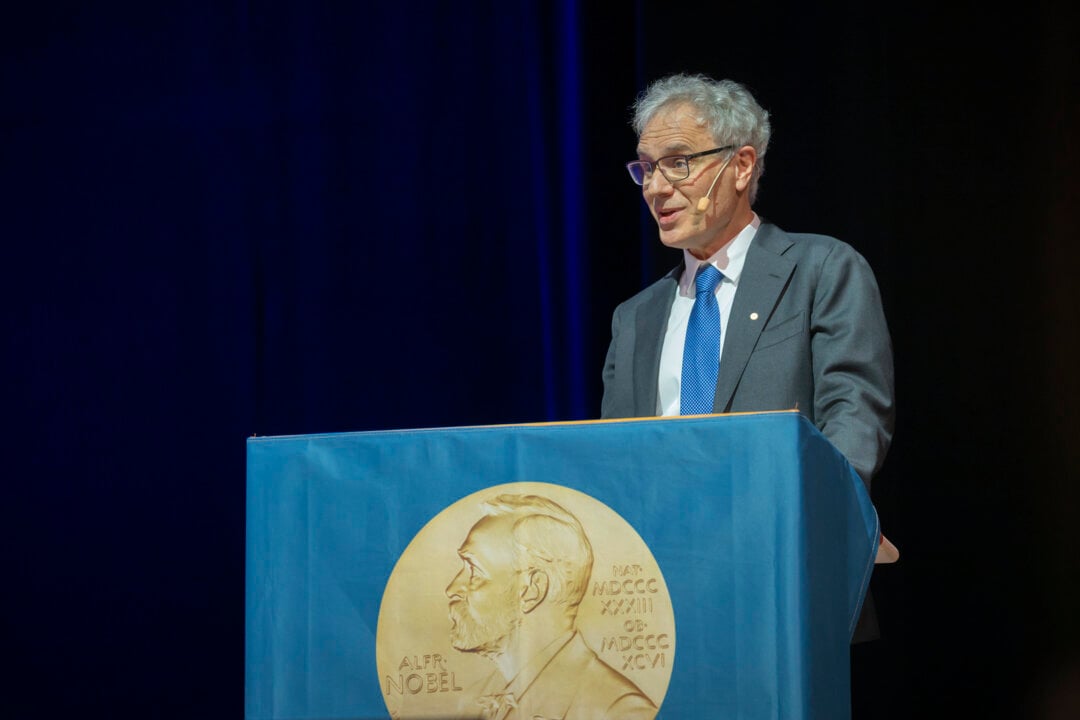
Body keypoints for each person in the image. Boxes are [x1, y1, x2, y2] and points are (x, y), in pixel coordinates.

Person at [600, 73, 895, 641]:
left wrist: (811, 512)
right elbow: (618, 459)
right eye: (646, 167)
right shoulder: (634, 318)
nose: (656, 188)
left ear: (740, 166)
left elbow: (854, 418)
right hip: (661, 601)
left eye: (678, 162)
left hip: (784, 582)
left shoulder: (820, 270)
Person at [445, 493, 657, 720]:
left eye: (474, 570)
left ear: (531, 590)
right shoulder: (475, 698)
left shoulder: (620, 711)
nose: (452, 588)